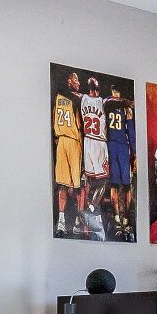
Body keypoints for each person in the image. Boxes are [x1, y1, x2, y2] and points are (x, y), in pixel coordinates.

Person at [104, 83, 136, 241]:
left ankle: (122, 218)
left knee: (120, 185)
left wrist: (134, 153)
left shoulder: (108, 103)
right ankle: (121, 219)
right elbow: (131, 131)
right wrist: (134, 152)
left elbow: (130, 129)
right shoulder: (117, 104)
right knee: (119, 185)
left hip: (116, 146)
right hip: (119, 146)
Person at [79, 76, 110, 231]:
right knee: (104, 181)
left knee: (89, 181)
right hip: (99, 142)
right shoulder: (103, 101)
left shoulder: (82, 98)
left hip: (87, 141)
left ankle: (87, 213)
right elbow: (114, 101)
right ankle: (91, 208)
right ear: (98, 87)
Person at [51, 89, 83, 235]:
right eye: (76, 80)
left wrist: (57, 139)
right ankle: (77, 221)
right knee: (76, 186)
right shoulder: (75, 101)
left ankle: (61, 222)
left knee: (62, 185)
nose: (78, 84)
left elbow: (54, 122)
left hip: (61, 141)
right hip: (73, 142)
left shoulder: (57, 100)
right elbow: (79, 125)